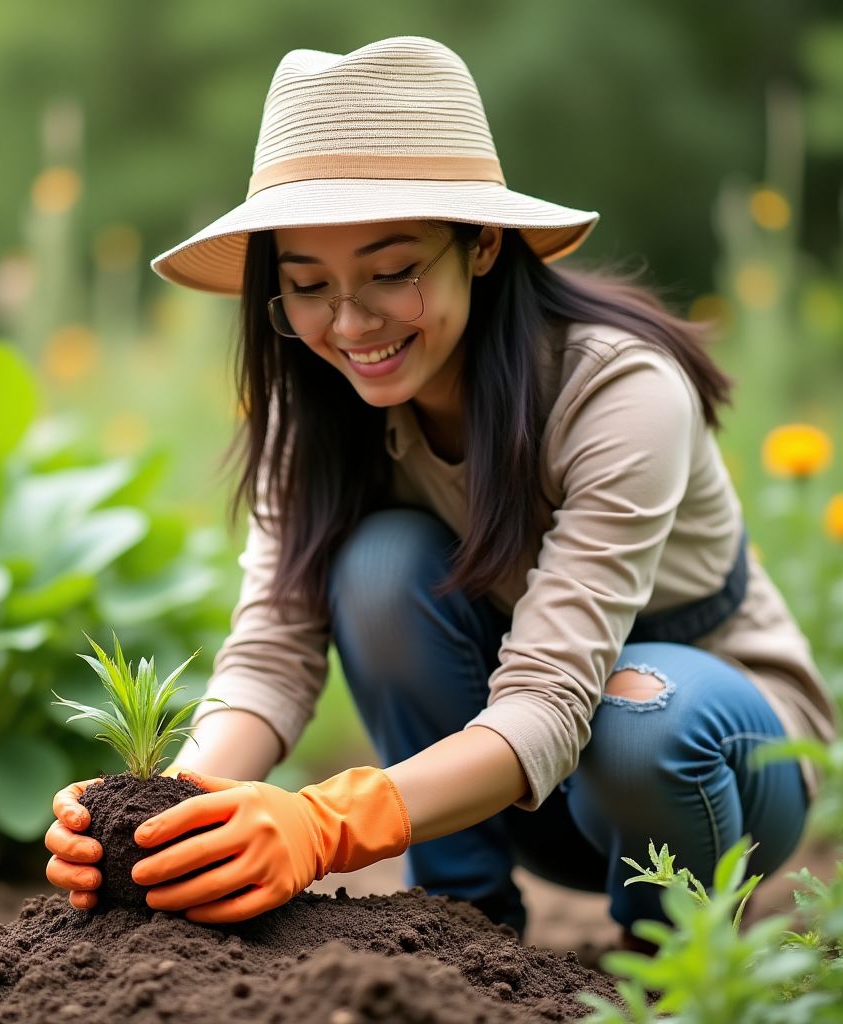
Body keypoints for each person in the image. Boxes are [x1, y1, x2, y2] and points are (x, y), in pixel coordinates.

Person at [44, 35, 837, 949]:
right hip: (515, 789)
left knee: (636, 717)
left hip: (712, 771)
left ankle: (679, 966)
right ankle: (459, 931)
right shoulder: (317, 411)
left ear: (483, 245)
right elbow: (270, 652)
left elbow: (550, 697)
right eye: (308, 287)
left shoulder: (617, 390)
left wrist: (324, 824)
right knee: (379, 567)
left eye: (392, 273)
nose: (350, 323)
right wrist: (158, 820)